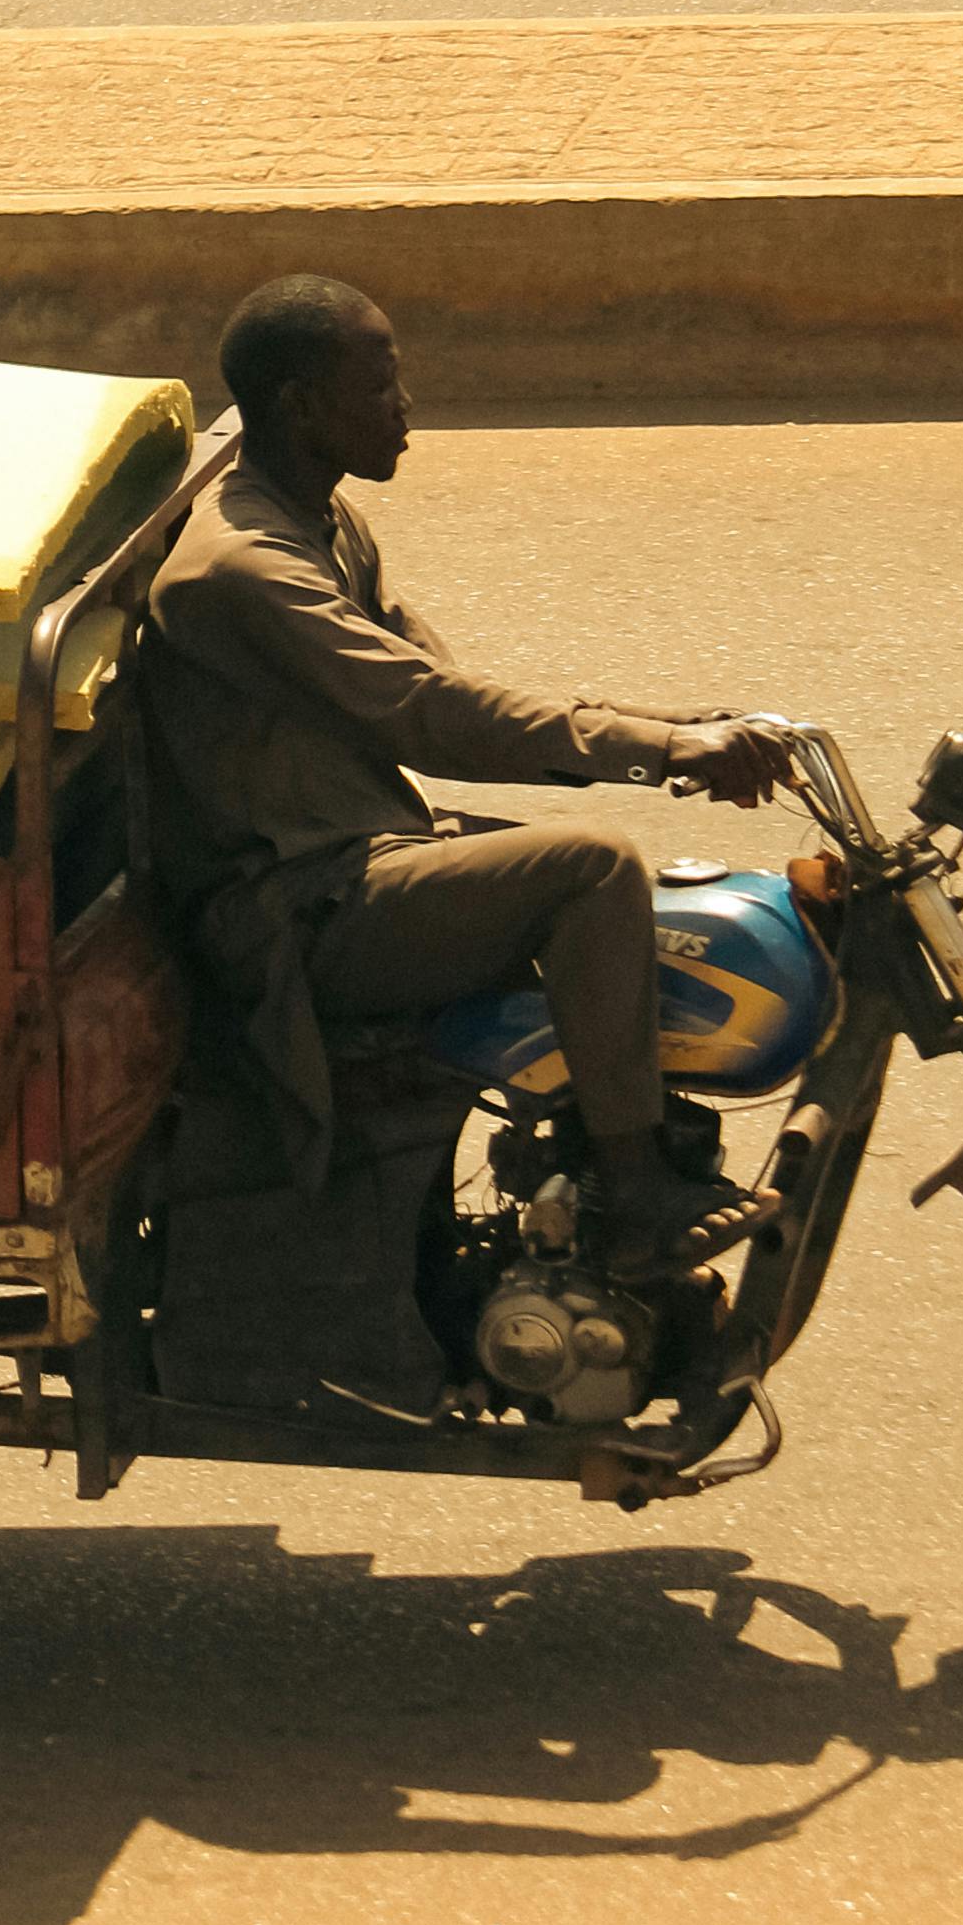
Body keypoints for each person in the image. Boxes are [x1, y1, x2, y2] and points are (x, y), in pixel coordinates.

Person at [141, 273, 786, 1280]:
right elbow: (429, 717)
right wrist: (655, 756)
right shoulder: (245, 569)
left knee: (646, 903)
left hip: (355, 849)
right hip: (286, 910)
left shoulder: (319, 516)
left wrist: (680, 727)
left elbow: (444, 685)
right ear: (301, 405)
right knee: (591, 871)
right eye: (377, 388)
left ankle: (564, 1149)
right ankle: (636, 1191)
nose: (405, 408)